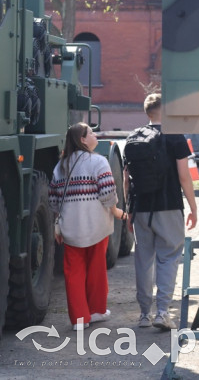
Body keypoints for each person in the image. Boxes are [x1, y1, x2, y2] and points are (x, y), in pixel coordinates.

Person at [124, 93, 198, 331]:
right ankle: (163, 312)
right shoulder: (175, 137)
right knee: (168, 257)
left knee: (143, 260)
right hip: (169, 205)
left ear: (147, 112)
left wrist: (129, 210)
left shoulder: (133, 137)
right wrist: (193, 207)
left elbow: (126, 179)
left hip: (141, 209)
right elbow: (184, 176)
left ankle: (144, 314)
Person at [49, 122, 127, 330]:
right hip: (97, 225)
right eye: (91, 133)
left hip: (71, 228)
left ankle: (79, 319)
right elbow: (108, 193)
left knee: (73, 273)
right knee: (96, 269)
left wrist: (57, 225)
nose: (95, 136)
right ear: (82, 140)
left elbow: (54, 200)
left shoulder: (60, 166)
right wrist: (116, 211)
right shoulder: (98, 161)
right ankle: (97, 310)